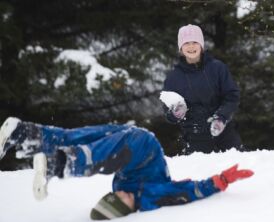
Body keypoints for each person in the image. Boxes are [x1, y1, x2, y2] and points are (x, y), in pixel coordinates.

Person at [0, 117, 254, 220]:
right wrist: (220, 180)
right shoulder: (155, 199)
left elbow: (111, 163)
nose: (120, 194)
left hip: (129, 141)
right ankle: (60, 164)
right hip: (145, 149)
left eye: (115, 197)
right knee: (104, 156)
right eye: (120, 201)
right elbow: (190, 191)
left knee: (79, 138)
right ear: (127, 212)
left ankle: (24, 133)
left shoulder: (121, 187)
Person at [162, 24, 243, 155]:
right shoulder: (173, 78)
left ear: (201, 45)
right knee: (201, 174)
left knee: (239, 169)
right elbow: (168, 112)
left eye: (195, 42)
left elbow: (232, 95)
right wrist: (175, 114)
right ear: (181, 48)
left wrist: (221, 117)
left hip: (225, 133)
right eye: (186, 43)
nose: (191, 46)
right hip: (195, 138)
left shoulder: (217, 68)